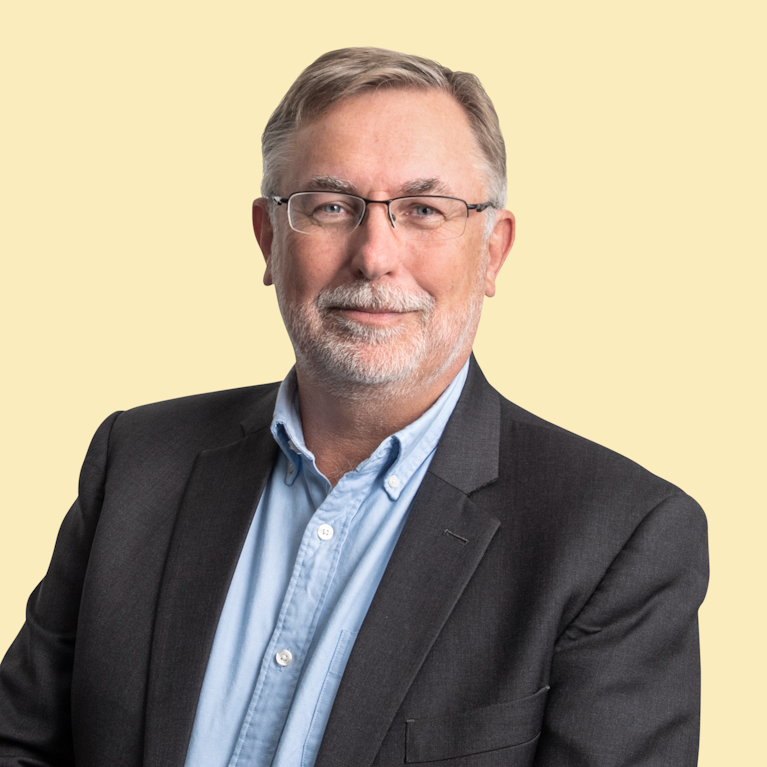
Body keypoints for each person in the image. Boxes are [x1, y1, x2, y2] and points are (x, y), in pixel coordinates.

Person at [0, 47, 708, 767]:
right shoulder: (136, 461)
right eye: (331, 207)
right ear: (269, 238)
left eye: (424, 210)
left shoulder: (616, 537)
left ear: (492, 251)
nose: (374, 256)